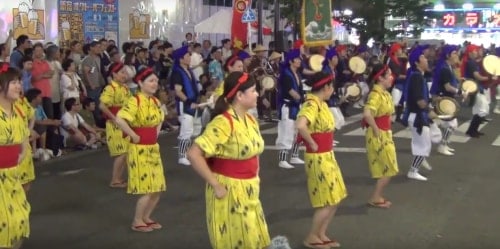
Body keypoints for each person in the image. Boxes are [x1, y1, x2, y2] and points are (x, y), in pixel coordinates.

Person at [187, 71, 271, 249]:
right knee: (237, 241)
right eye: (253, 90)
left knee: (255, 239)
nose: (257, 94)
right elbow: (194, 154)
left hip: (250, 187)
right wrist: (216, 185)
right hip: (229, 189)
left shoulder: (250, 119)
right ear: (240, 95)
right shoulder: (223, 122)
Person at [296, 72, 347, 248]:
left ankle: (321, 233)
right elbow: (301, 125)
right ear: (326, 87)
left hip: (327, 155)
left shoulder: (321, 104)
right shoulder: (311, 104)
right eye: (331, 87)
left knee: (336, 196)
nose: (332, 90)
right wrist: (311, 142)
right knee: (327, 199)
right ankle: (312, 236)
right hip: (318, 157)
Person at [114, 67, 166, 232]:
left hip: (153, 147)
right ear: (140, 83)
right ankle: (137, 220)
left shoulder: (155, 102)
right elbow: (120, 119)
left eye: (156, 81)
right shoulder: (134, 100)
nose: (154, 84)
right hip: (139, 148)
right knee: (147, 187)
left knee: (157, 187)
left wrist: (155, 134)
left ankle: (146, 216)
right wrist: (133, 135)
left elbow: (161, 119)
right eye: (151, 81)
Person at [0, 63, 31, 249]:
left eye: (19, 81)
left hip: (13, 174)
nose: (18, 86)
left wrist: (22, 153)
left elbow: (24, 138)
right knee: (5, 224)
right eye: (13, 82)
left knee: (21, 219)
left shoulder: (17, 111)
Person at [401, 46, 442, 181]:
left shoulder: (417, 76)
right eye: (423, 57)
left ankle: (420, 158)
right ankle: (413, 170)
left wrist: (432, 100)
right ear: (417, 62)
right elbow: (419, 101)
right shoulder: (417, 77)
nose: (426, 59)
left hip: (417, 115)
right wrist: (430, 110)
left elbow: (420, 98)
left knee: (432, 137)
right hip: (417, 116)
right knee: (423, 145)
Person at [362, 64, 399, 208]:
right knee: (388, 168)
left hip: (385, 133)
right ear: (380, 78)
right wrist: (376, 129)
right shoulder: (375, 94)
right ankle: (375, 197)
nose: (391, 77)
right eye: (388, 75)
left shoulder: (384, 93)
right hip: (379, 135)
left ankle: (377, 196)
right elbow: (367, 113)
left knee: (387, 168)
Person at [99, 62, 132, 188]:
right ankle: (115, 180)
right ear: (114, 74)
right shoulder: (110, 88)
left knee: (126, 152)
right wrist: (114, 118)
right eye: (122, 72)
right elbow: (102, 106)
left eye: (125, 72)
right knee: (122, 153)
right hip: (115, 125)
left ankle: (119, 178)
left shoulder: (124, 88)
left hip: (125, 122)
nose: (125, 75)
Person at [430, 45, 465, 155]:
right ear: (448, 55)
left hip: (446, 98)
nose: (456, 55)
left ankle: (443, 144)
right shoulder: (445, 68)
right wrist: (460, 92)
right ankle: (442, 145)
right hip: (444, 98)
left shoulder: (447, 66)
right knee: (451, 124)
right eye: (454, 53)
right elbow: (447, 87)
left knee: (449, 123)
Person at [171, 46, 202, 166]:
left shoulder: (188, 70)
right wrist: (189, 102)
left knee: (193, 129)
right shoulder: (177, 72)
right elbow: (178, 91)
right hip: (184, 104)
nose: (190, 57)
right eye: (187, 55)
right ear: (180, 59)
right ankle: (182, 155)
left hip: (192, 102)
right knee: (186, 130)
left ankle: (188, 153)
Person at [276, 49, 304, 169]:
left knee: (298, 131)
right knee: (286, 131)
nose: (299, 61)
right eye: (297, 59)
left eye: (299, 59)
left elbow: (299, 90)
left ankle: (294, 155)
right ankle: (282, 159)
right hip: (288, 106)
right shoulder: (286, 74)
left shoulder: (296, 73)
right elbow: (291, 91)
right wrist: (301, 98)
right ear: (291, 61)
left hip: (296, 105)